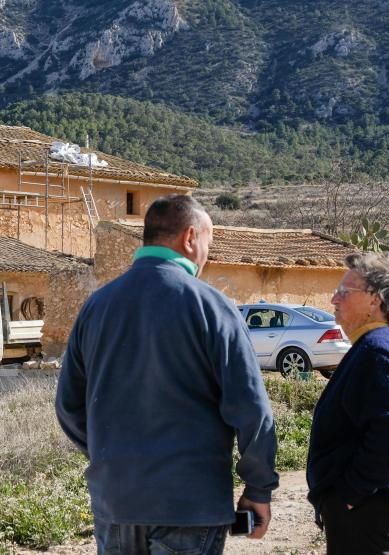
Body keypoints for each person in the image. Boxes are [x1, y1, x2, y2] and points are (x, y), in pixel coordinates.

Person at [56, 195, 278, 555]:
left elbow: (69, 406)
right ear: (190, 238)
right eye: (208, 241)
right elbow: (251, 410)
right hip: (190, 504)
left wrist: (114, 455)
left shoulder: (96, 307)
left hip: (116, 501)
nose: (208, 252)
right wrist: (258, 488)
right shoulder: (212, 307)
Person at [307, 253, 389, 554]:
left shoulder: (377, 353)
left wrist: (349, 494)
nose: (334, 298)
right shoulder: (373, 346)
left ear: (375, 301)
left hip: (370, 505)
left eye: (345, 292)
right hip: (368, 503)